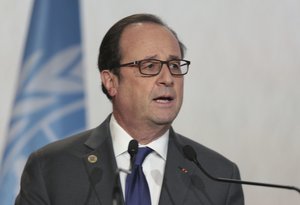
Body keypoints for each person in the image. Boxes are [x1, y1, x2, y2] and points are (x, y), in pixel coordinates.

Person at [15, 13, 244, 205]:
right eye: (150, 66)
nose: (167, 78)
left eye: (174, 65)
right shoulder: (52, 168)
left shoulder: (219, 178)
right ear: (111, 81)